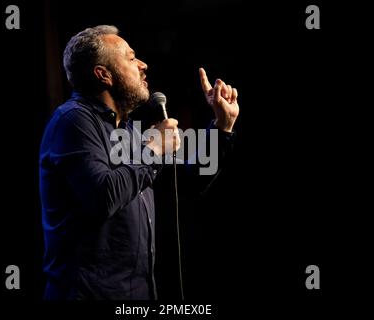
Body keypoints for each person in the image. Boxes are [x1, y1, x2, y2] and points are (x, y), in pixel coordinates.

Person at [39, 25, 239, 300]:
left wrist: (222, 127)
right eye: (131, 58)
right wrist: (154, 150)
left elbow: (188, 184)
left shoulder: (129, 131)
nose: (143, 65)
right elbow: (102, 196)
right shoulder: (72, 121)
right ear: (103, 74)